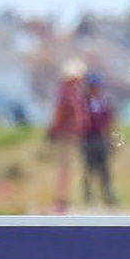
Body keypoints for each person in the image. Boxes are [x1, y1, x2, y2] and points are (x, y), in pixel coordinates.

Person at [45, 59, 89, 212]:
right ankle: (61, 199)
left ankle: (63, 198)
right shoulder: (67, 93)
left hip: (70, 134)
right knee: (65, 167)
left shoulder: (72, 92)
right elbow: (60, 113)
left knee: (67, 168)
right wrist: (54, 129)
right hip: (66, 135)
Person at [80, 71, 119, 207]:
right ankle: (88, 197)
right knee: (89, 169)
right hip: (87, 139)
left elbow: (110, 124)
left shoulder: (104, 103)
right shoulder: (83, 103)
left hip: (101, 139)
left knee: (105, 170)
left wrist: (113, 140)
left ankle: (108, 196)